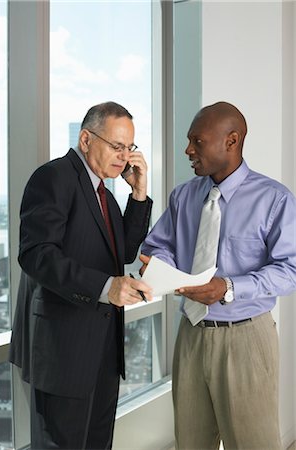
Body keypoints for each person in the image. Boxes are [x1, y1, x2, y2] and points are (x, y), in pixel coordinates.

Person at [140, 101, 296, 450]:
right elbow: (159, 245)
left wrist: (228, 287)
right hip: (191, 337)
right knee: (191, 442)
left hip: (246, 340)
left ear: (231, 140)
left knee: (253, 444)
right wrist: (160, 263)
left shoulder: (274, 199)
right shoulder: (183, 195)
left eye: (197, 141)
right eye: (188, 141)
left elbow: (291, 270)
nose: (188, 150)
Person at [9, 101, 153, 450]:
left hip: (103, 348)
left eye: (129, 148)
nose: (124, 156)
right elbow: (36, 254)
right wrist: (106, 286)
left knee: (97, 443)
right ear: (86, 139)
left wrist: (138, 193)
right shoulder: (54, 177)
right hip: (63, 351)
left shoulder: (104, 193)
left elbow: (125, 253)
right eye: (116, 146)